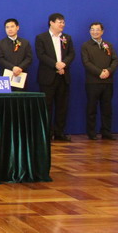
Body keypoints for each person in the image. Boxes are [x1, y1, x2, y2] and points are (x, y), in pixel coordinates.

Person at [34, 13, 75, 142]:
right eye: (59, 22)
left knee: (62, 106)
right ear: (51, 23)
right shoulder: (41, 38)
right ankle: (46, 133)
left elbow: (71, 54)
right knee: (47, 106)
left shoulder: (67, 38)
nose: (62, 24)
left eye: (63, 22)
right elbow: (41, 55)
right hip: (47, 77)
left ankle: (59, 132)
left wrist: (64, 64)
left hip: (63, 76)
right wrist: (55, 64)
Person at [81, 22, 118, 140]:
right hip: (92, 82)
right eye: (92, 29)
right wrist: (99, 72)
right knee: (92, 108)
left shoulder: (108, 45)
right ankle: (91, 133)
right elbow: (86, 62)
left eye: (97, 29)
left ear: (102, 31)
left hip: (108, 81)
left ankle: (106, 132)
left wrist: (108, 71)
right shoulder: (85, 46)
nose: (95, 32)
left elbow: (115, 60)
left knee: (107, 108)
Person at [0, 18, 32, 89]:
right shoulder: (0, 43)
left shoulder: (25, 43)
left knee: (21, 94)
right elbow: (0, 59)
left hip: (21, 75)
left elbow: (29, 58)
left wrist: (20, 68)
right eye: (7, 27)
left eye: (12, 26)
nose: (10, 29)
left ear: (17, 27)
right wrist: (12, 68)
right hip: (6, 76)